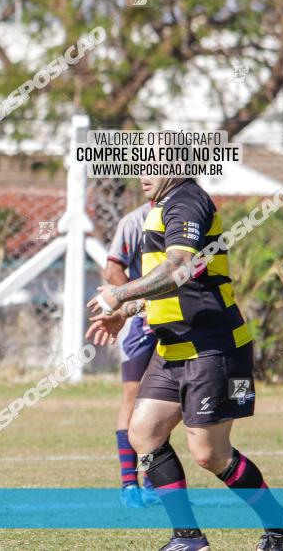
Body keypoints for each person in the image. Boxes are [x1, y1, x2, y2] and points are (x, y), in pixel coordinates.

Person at [88, 177, 283, 551]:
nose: (143, 172)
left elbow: (179, 267)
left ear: (177, 165)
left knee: (210, 454)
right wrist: (128, 309)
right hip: (173, 348)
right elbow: (173, 287)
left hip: (212, 348)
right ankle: (188, 538)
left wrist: (119, 294)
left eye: (154, 162)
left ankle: (280, 526)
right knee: (144, 432)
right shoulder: (161, 209)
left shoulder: (188, 201)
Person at [104, 201, 159, 509]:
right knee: (133, 398)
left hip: (178, 322)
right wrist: (139, 303)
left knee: (165, 400)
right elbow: (112, 269)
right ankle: (130, 484)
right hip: (140, 325)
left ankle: (154, 481)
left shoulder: (189, 212)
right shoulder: (134, 221)